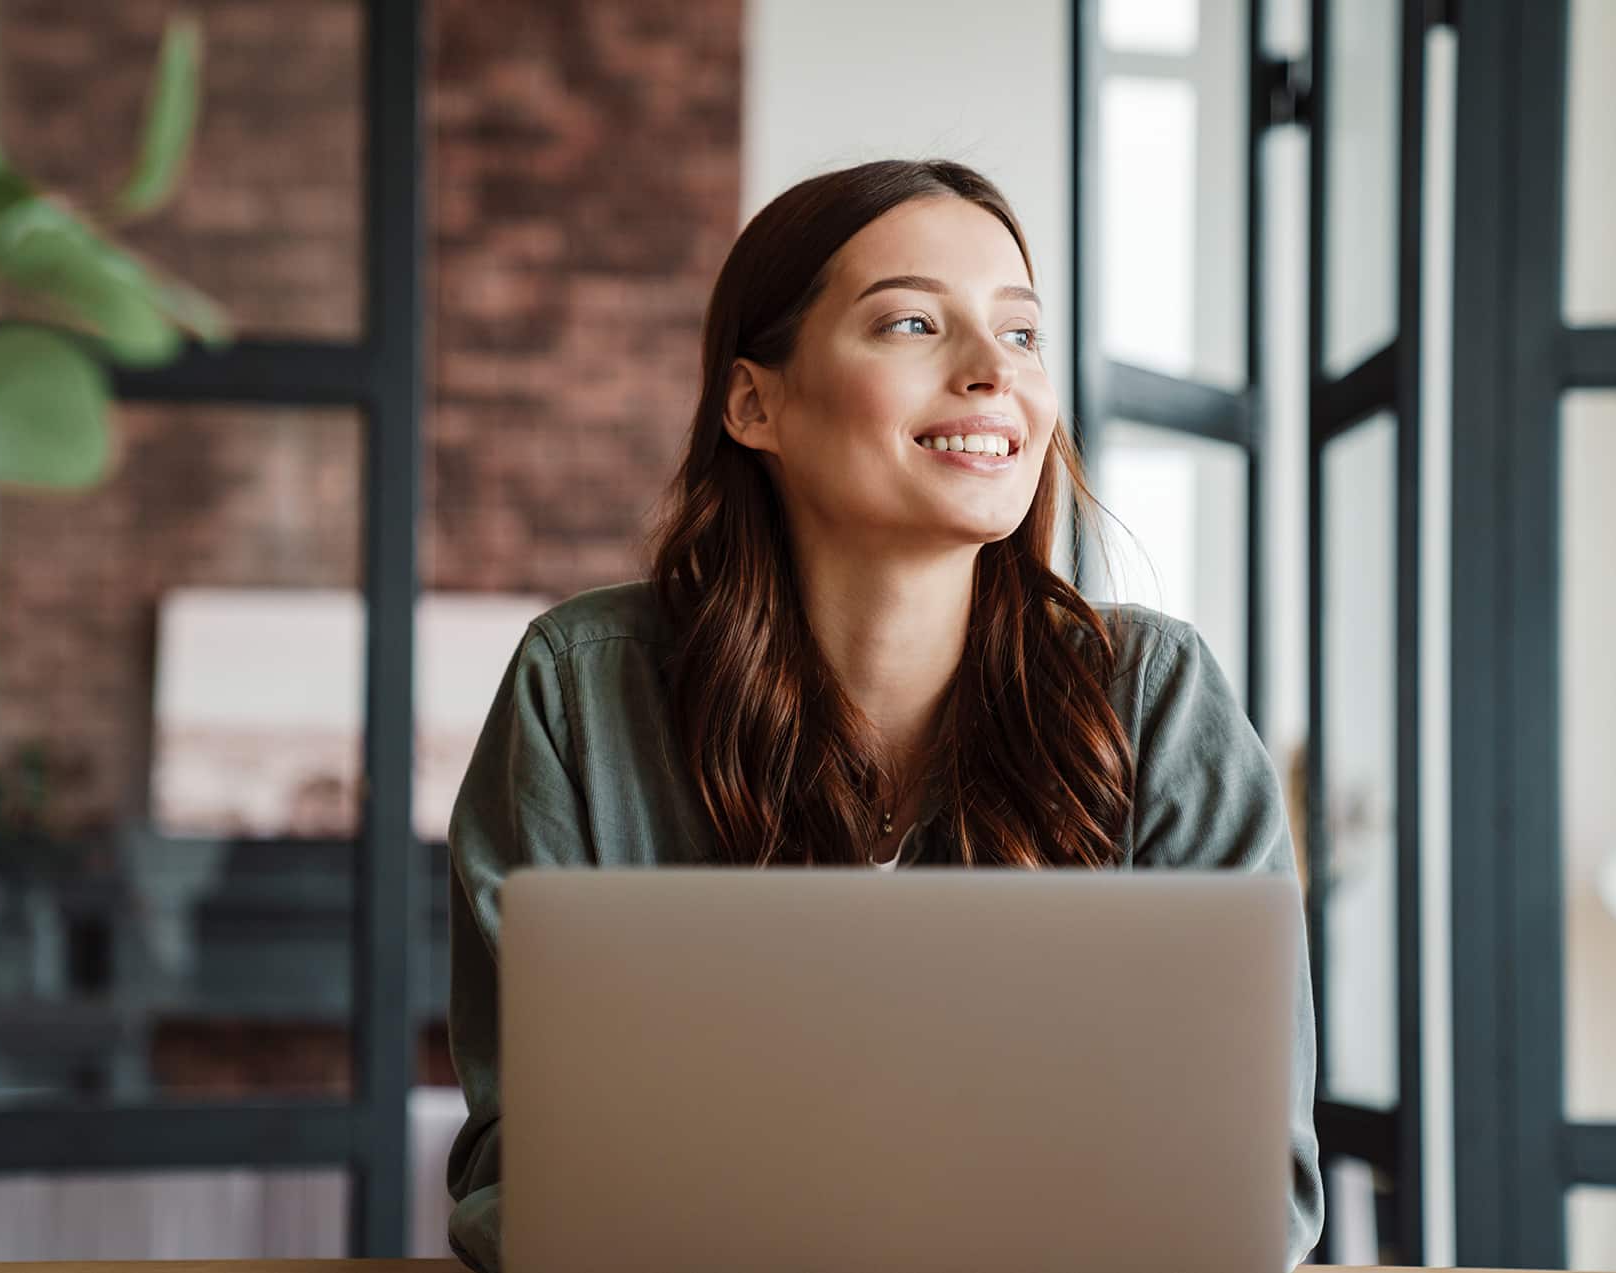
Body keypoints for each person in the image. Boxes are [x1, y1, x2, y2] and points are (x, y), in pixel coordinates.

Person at [443, 158, 1324, 1271]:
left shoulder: (1155, 699)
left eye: (1019, 335)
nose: (990, 375)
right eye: (912, 323)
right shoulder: (580, 690)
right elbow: (516, 1175)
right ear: (754, 402)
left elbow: (1255, 1190)